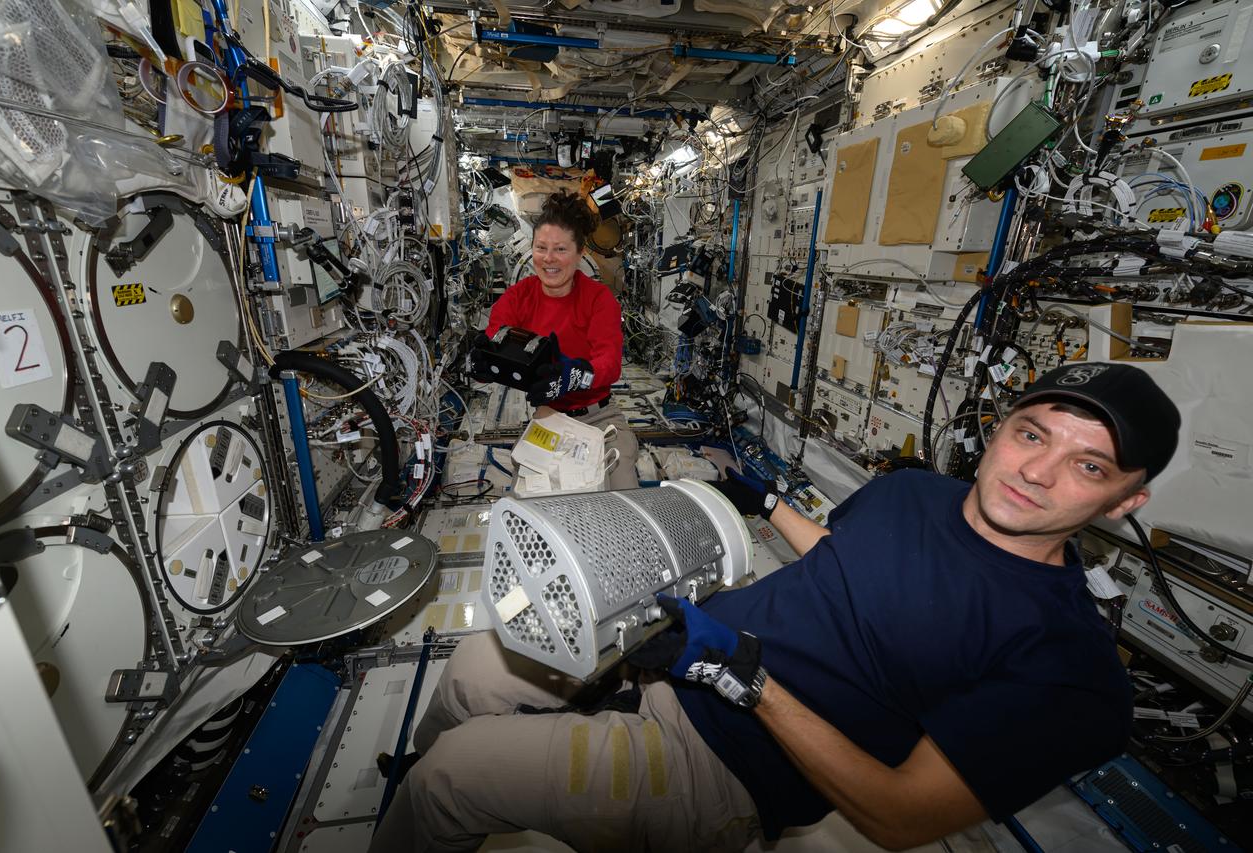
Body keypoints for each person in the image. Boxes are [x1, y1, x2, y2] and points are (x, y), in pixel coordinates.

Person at [369, 362, 1181, 852]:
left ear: (1124, 500)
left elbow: (899, 816)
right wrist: (761, 502)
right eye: (1033, 434)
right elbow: (845, 558)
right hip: (685, 648)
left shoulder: (1068, 667)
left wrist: (743, 677)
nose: (1037, 471)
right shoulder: (915, 493)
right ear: (998, 428)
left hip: (729, 762)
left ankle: (430, 808)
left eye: (1088, 465)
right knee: (476, 666)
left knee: (453, 775)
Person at [477, 189, 638, 489]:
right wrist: (486, 357)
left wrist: (572, 376)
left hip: (599, 416)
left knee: (623, 488)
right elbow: (496, 336)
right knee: (526, 493)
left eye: (561, 249)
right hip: (548, 415)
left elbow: (609, 363)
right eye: (541, 247)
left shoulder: (598, 299)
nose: (549, 259)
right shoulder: (520, 296)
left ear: (579, 254)